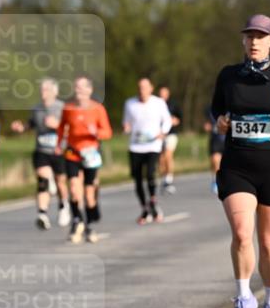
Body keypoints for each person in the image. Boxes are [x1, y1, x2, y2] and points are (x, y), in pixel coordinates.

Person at [212, 14, 270, 308]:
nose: (254, 41)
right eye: (249, 36)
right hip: (237, 164)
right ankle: (244, 297)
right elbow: (217, 112)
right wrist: (221, 122)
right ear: (243, 40)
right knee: (241, 233)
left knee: (268, 240)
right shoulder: (228, 76)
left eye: (261, 36)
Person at [56, 75, 112, 243]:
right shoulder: (68, 108)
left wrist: (96, 133)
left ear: (90, 90)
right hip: (72, 153)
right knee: (73, 189)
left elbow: (107, 132)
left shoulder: (97, 109)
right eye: (77, 87)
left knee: (89, 194)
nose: (79, 91)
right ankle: (76, 221)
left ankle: (89, 226)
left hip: (91, 155)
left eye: (82, 87)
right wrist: (59, 144)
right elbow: (61, 127)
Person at [12, 78, 69, 230]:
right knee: (43, 181)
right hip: (42, 150)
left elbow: (70, 129)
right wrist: (21, 127)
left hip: (59, 151)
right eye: (42, 90)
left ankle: (64, 207)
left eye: (47, 90)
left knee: (61, 181)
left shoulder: (62, 108)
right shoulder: (36, 108)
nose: (43, 93)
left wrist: (57, 126)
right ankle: (42, 215)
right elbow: (31, 124)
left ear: (54, 92)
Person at [123, 78, 171, 223]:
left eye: (144, 87)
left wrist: (163, 132)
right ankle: (145, 208)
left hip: (153, 145)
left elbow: (167, 120)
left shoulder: (158, 103)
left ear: (151, 88)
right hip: (135, 146)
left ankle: (153, 203)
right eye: (139, 87)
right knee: (137, 179)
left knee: (150, 174)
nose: (141, 90)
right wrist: (126, 127)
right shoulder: (130, 103)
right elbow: (127, 122)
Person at [158, 85, 182, 193]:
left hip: (171, 134)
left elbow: (179, 118)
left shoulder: (173, 105)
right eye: (161, 93)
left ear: (168, 94)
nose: (162, 95)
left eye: (164, 93)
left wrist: (175, 120)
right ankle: (164, 180)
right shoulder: (155, 105)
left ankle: (169, 179)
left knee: (168, 155)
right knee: (161, 159)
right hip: (159, 135)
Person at [203, 106, 225, 194]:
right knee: (215, 160)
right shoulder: (210, 108)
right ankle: (216, 181)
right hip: (215, 140)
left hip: (229, 140)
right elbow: (207, 123)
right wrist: (207, 126)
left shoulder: (234, 105)